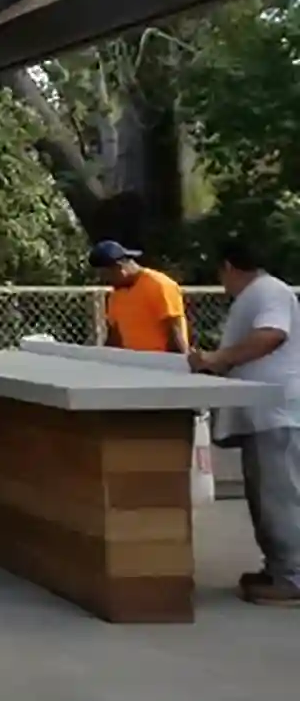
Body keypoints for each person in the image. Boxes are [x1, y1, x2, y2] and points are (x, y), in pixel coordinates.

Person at [190, 238, 300, 606]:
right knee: (265, 496)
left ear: (229, 267)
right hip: (265, 413)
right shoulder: (258, 294)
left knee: (278, 498)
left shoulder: (268, 291)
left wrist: (218, 358)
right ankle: (278, 568)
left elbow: (272, 334)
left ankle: (292, 577)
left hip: (277, 412)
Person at [90, 240, 188, 354]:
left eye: (105, 276)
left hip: (162, 361)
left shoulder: (159, 285)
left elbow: (175, 332)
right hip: (135, 363)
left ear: (119, 268)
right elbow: (115, 336)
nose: (105, 281)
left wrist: (177, 365)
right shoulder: (116, 294)